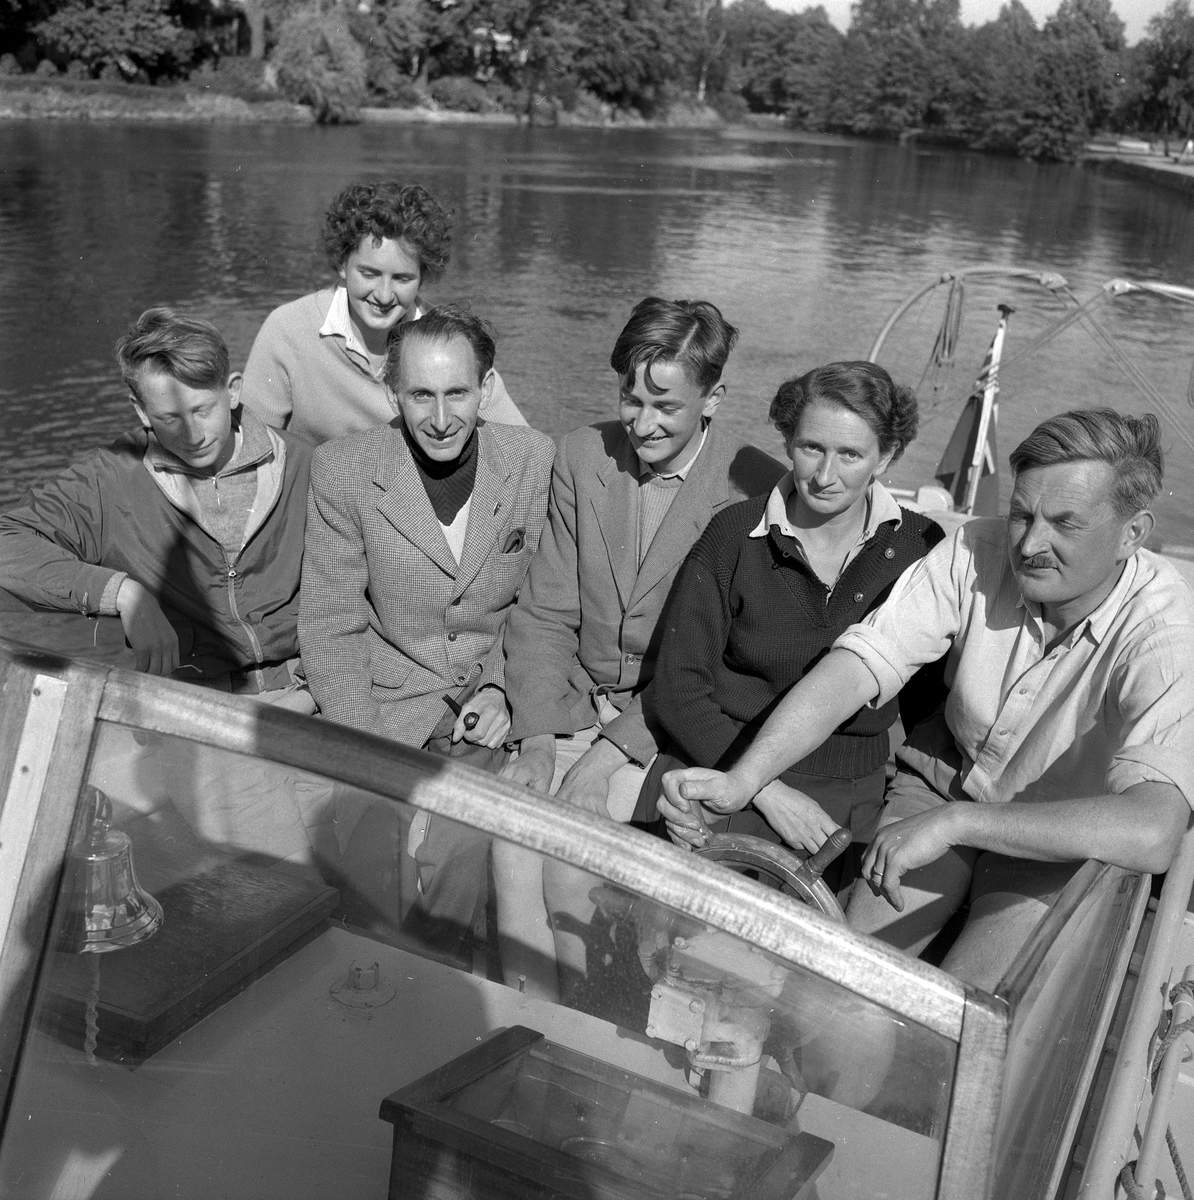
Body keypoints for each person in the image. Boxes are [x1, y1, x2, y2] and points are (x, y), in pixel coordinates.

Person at [662, 408, 1194, 991]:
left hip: (1056, 836)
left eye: (1065, 524)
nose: (1031, 544)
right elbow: (858, 666)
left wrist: (961, 823)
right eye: (1021, 515)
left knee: (963, 1017)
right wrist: (746, 779)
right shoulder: (975, 550)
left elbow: (1153, 830)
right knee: (841, 981)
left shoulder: (1167, 635)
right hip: (943, 783)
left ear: (1133, 534)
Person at [496, 296, 786, 1001]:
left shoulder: (753, 489)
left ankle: (581, 1035)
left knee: (570, 863)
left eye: (666, 406)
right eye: (631, 398)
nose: (643, 423)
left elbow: (715, 667)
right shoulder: (581, 454)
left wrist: (607, 755)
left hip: (669, 726)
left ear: (714, 399)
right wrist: (534, 737)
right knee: (507, 834)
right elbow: (545, 611)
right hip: (569, 705)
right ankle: (516, 1025)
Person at [299, 304, 554, 964]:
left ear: (486, 388)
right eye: (421, 395)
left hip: (481, 710)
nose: (441, 419)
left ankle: (441, 1000)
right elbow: (330, 624)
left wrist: (501, 690)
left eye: (457, 394)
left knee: (457, 857)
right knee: (361, 855)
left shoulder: (532, 460)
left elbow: (536, 604)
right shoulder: (343, 470)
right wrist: (363, 752)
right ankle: (369, 996)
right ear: (393, 392)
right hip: (383, 706)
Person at [644, 362, 945, 897]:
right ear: (786, 440)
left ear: (888, 455)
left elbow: (928, 704)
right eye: (811, 448)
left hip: (847, 799)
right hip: (720, 767)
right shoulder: (734, 536)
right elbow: (678, 686)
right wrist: (764, 788)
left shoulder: (922, 548)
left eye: (850, 454)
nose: (825, 476)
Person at [0, 307, 313, 709]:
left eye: (203, 410)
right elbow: (9, 542)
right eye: (169, 418)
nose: (194, 434)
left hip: (306, 692)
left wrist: (310, 693)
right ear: (141, 410)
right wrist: (123, 594)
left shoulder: (305, 462)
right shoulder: (110, 478)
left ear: (233, 390)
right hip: (185, 702)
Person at [242, 180, 525, 446]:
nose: (384, 295)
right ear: (342, 264)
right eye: (369, 274)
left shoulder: (448, 343)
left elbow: (524, 444)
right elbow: (249, 445)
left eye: (402, 279)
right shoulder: (287, 329)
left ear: (422, 278)